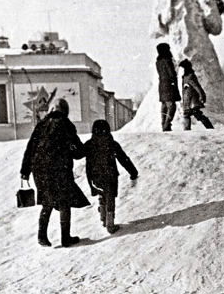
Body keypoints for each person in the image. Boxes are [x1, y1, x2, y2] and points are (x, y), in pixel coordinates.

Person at [20, 98, 88, 247]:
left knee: (47, 201)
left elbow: (30, 148)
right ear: (65, 110)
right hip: (59, 169)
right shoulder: (66, 125)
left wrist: (25, 170)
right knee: (64, 202)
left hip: (40, 170)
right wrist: (86, 149)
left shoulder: (41, 125)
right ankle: (65, 238)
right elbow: (76, 151)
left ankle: (42, 236)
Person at [84, 119, 138, 234]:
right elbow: (124, 159)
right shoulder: (112, 144)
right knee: (110, 197)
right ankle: (110, 224)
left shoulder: (89, 144)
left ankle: (103, 218)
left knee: (101, 193)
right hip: (110, 176)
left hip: (95, 176)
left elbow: (78, 153)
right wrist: (133, 172)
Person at [178, 60, 214, 130]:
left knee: (196, 114)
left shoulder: (190, 77)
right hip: (188, 101)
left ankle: (209, 128)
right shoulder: (186, 77)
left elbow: (197, 87)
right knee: (190, 115)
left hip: (191, 101)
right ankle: (187, 130)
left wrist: (202, 95)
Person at [156, 43, 180, 132]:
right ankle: (167, 124)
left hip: (162, 84)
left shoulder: (158, 61)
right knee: (171, 106)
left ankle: (163, 124)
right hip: (169, 85)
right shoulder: (167, 60)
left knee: (164, 105)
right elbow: (171, 73)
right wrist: (173, 82)